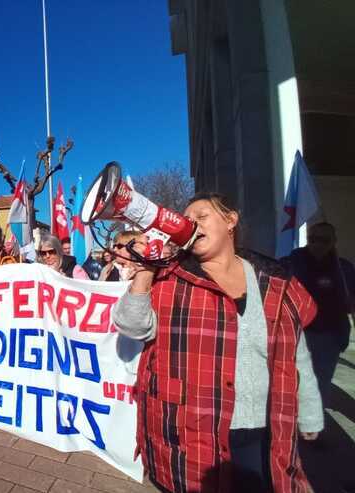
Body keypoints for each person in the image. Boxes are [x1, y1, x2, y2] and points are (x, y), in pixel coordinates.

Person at [112, 192, 322, 492]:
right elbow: (132, 326)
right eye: (187, 221)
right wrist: (146, 271)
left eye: (201, 217)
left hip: (263, 431)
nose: (193, 225)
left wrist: (311, 413)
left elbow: (296, 354)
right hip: (192, 434)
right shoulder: (171, 278)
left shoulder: (276, 283)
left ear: (230, 220)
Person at [284, 222, 355, 412]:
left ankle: (315, 429)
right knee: (291, 383)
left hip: (329, 338)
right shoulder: (291, 263)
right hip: (296, 335)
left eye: (324, 240)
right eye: (312, 239)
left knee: (320, 384)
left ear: (333, 242)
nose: (317, 244)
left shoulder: (344, 269)